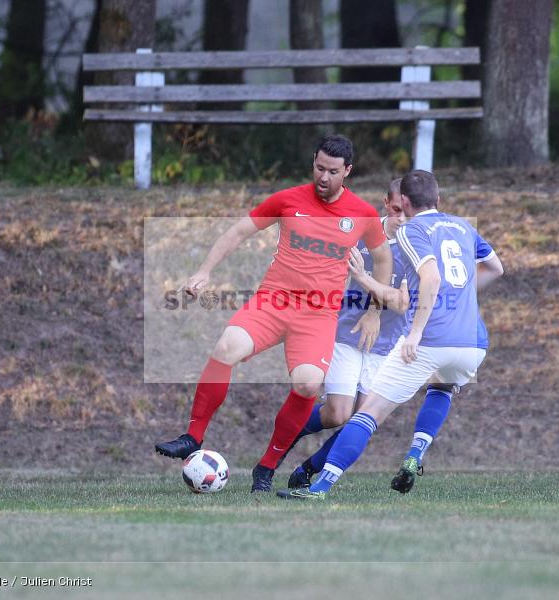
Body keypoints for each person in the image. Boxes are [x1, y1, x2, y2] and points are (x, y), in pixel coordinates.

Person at [155, 134, 393, 493]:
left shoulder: (362, 213)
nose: (323, 177)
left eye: (332, 171)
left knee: (308, 384)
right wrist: (205, 270)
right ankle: (193, 435)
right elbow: (238, 231)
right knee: (225, 348)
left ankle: (266, 467)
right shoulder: (287, 199)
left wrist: (375, 311)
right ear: (313, 161)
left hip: (318, 316)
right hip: (273, 301)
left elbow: (384, 259)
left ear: (347, 171)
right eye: (319, 168)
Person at [277, 169, 504, 500]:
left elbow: (431, 280)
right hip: (473, 341)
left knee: (368, 414)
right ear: (438, 200)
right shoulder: (463, 226)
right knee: (442, 387)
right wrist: (459, 301)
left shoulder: (412, 232)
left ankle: (319, 487)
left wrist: (414, 333)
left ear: (407, 202)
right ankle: (414, 455)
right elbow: (496, 268)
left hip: (431, 338)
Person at [283, 179, 410, 489]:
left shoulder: (416, 248)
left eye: (407, 212)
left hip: (386, 345)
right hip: (346, 334)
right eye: (396, 210)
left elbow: (402, 302)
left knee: (363, 421)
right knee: (338, 414)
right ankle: (289, 432)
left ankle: (308, 470)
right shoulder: (361, 234)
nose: (402, 218)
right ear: (385, 204)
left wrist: (371, 300)